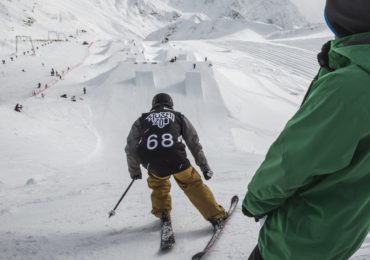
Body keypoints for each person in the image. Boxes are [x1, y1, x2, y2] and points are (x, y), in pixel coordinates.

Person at [242, 1, 370, 259]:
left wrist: (255, 201)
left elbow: (294, 160)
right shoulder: (356, 77)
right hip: (342, 230)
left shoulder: (350, 86)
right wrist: (335, 62)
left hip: (298, 238)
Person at [125, 93, 227, 229]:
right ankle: (216, 216)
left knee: (159, 185)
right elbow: (193, 143)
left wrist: (135, 170)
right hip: (176, 158)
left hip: (152, 161)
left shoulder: (142, 119)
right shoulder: (178, 116)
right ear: (170, 104)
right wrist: (205, 167)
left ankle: (163, 215)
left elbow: (131, 146)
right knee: (192, 184)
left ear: (153, 105)